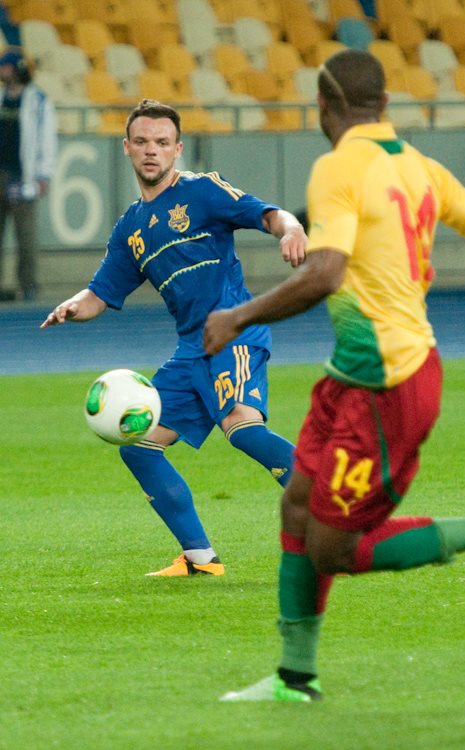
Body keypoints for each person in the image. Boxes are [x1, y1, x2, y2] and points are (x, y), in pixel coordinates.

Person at [203, 50, 465, 702]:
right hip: (353, 375)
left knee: (334, 548)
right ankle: (295, 678)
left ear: (323, 107)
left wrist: (238, 316)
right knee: (296, 503)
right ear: (384, 104)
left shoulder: (338, 166)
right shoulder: (420, 166)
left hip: (392, 383)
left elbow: (325, 273)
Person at [41, 99, 306, 577]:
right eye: (142, 141)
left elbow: (267, 213)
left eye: (162, 142)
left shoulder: (202, 191)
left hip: (234, 332)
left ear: (177, 149)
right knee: (137, 446)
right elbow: (101, 293)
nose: (152, 150)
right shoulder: (131, 229)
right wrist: (73, 306)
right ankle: (201, 559)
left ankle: (336, 512)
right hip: (191, 352)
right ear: (127, 147)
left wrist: (292, 228)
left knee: (243, 429)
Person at [0, 47, 57, 302]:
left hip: (23, 175)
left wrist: (44, 175)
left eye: (6, 67)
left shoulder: (38, 100)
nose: (2, 71)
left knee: (26, 236)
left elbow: (47, 140)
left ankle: (28, 284)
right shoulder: (1, 97)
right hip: (1, 172)